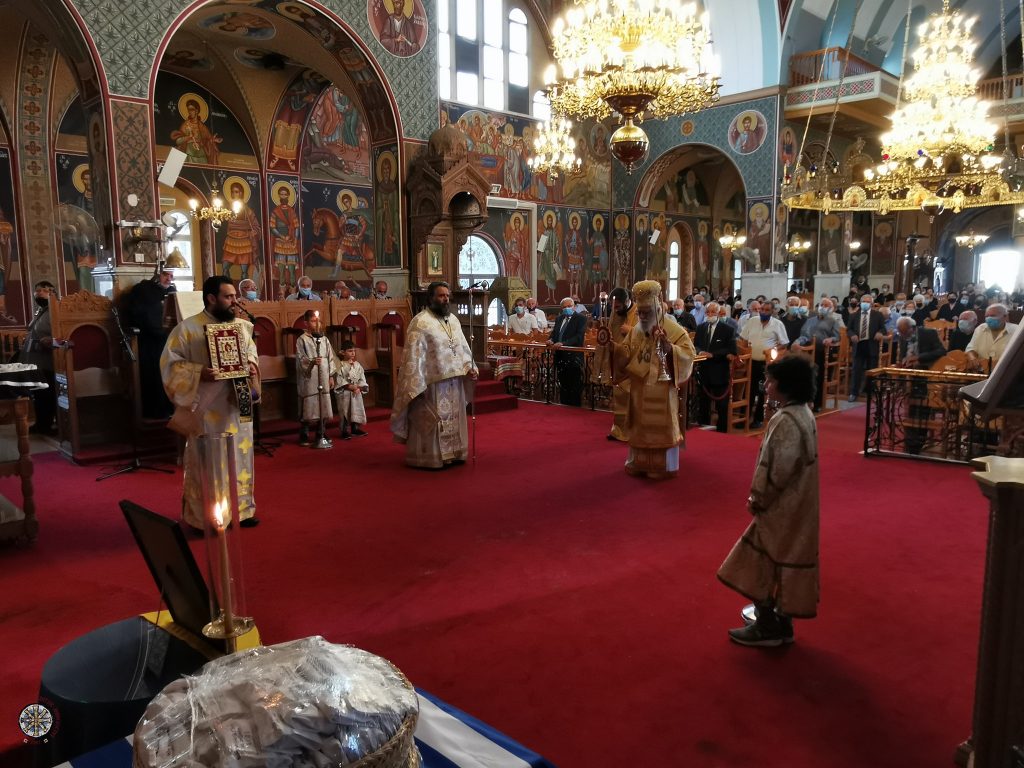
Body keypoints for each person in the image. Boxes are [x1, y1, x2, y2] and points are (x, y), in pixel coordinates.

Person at [717, 354, 819, 647]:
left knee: (757, 563)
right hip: (799, 506)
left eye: (771, 381)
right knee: (779, 562)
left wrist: (758, 498)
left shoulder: (785, 420)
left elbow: (777, 467)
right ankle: (780, 621)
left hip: (781, 508)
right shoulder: (804, 413)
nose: (765, 385)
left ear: (785, 385)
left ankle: (768, 626)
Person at [160, 275, 260, 529]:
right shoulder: (187, 329)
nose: (234, 302)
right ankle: (208, 517)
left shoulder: (242, 327)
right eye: (228, 297)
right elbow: (169, 366)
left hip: (236, 404)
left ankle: (241, 511)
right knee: (211, 462)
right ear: (211, 298)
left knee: (240, 458)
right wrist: (198, 372)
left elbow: (251, 353)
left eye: (235, 296)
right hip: (206, 409)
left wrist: (250, 366)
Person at [611, 280, 695, 478]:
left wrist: (670, 349)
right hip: (639, 389)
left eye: (646, 313)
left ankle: (664, 466)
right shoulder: (637, 330)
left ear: (658, 308)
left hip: (663, 390)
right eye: (640, 312)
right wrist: (611, 348)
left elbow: (688, 354)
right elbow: (626, 353)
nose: (642, 316)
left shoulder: (674, 329)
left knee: (660, 426)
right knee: (639, 424)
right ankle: (639, 462)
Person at [390, 281, 478, 468]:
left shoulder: (453, 320)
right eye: (441, 295)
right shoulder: (420, 322)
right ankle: (431, 458)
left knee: (453, 418)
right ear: (431, 298)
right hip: (433, 383)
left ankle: (455, 453)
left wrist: (470, 367)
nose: (445, 299)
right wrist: (416, 384)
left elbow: (462, 346)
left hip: (455, 380)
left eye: (447, 295)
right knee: (435, 421)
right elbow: (413, 356)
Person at [595, 287, 637, 441]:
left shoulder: (639, 313)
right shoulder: (614, 312)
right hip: (617, 359)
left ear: (627, 301)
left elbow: (648, 335)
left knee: (630, 397)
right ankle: (618, 430)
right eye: (614, 306)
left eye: (618, 306)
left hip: (633, 363)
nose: (615, 309)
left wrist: (631, 330)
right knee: (618, 396)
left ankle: (631, 432)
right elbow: (612, 332)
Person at [739, 300, 789, 428]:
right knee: (749, 390)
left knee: (763, 391)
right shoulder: (752, 321)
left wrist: (774, 352)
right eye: (762, 309)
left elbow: (784, 343)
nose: (763, 312)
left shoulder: (777, 324)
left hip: (766, 363)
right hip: (751, 361)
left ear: (772, 311)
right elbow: (743, 339)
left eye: (767, 310)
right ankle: (744, 418)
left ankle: (758, 419)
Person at [295, 309, 337, 447]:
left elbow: (330, 358)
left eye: (318, 321)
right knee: (309, 404)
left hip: (323, 374)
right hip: (310, 377)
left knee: (324, 403)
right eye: (313, 321)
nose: (316, 324)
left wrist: (331, 375)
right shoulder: (302, 339)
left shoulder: (324, 339)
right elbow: (301, 358)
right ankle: (304, 432)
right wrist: (312, 361)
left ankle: (321, 432)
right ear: (306, 323)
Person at [792, 297, 841, 412]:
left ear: (831, 309)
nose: (823, 307)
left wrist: (831, 339)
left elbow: (837, 336)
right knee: (804, 375)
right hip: (808, 350)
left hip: (822, 351)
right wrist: (797, 342)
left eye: (826, 305)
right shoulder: (810, 320)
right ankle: (804, 401)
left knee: (818, 377)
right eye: (821, 305)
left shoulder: (833, 321)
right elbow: (804, 335)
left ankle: (817, 403)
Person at [694, 301, 736, 432]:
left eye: (713, 312)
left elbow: (731, 350)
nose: (710, 314)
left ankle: (722, 431)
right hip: (704, 371)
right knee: (703, 403)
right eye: (707, 312)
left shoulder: (727, 329)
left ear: (718, 313)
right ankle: (703, 428)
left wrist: (712, 354)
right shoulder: (701, 327)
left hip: (719, 371)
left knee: (722, 406)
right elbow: (696, 345)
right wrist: (700, 351)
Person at [22, 281, 57, 434]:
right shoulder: (41, 310)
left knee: (48, 395)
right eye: (37, 291)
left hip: (48, 362)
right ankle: (41, 423)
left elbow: (60, 334)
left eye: (43, 290)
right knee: (39, 394)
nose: (39, 293)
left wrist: (50, 339)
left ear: (52, 293)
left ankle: (50, 425)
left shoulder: (56, 311)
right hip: (36, 362)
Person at [547, 296, 587, 406]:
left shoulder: (581, 318)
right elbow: (555, 333)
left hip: (573, 357)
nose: (567, 308)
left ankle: (575, 408)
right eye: (564, 307)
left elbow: (578, 337)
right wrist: (551, 340)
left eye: (569, 306)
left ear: (574, 307)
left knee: (574, 385)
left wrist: (563, 343)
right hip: (560, 356)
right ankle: (564, 406)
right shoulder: (559, 318)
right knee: (563, 384)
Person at [846, 293, 885, 401]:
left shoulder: (878, 315)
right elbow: (848, 329)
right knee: (856, 369)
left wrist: (879, 332)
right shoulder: (854, 315)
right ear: (860, 303)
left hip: (871, 344)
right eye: (864, 301)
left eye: (868, 302)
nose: (865, 303)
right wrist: (852, 335)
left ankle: (869, 391)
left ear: (872, 304)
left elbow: (883, 329)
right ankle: (854, 392)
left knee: (871, 369)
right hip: (858, 345)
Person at [966, 303, 1019, 369]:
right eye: (986, 316)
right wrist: (972, 358)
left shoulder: (1017, 331)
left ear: (1005, 316)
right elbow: (970, 348)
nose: (989, 318)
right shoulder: (980, 328)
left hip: (1006, 372)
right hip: (981, 371)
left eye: (993, 315)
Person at [334, 340, 368, 439]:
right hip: (345, 393)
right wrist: (350, 387)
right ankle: (344, 430)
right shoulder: (340, 365)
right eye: (349, 351)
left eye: (354, 351)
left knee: (356, 410)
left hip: (356, 392)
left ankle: (355, 428)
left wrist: (360, 387)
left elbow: (362, 378)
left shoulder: (357, 365)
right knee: (345, 411)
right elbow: (339, 380)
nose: (353, 353)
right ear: (343, 352)